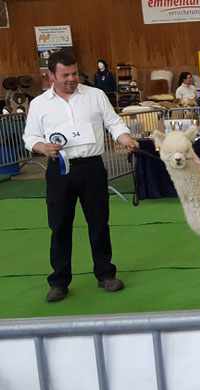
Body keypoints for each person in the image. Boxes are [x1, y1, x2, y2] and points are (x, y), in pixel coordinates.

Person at [22, 51, 139, 302]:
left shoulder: (95, 96)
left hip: (92, 169)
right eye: (65, 75)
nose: (71, 79)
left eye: (74, 73)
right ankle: (59, 282)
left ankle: (106, 275)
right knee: (60, 226)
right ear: (51, 75)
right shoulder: (39, 104)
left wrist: (126, 138)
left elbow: (114, 123)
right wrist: (42, 147)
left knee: (99, 223)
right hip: (59, 171)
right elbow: (30, 137)